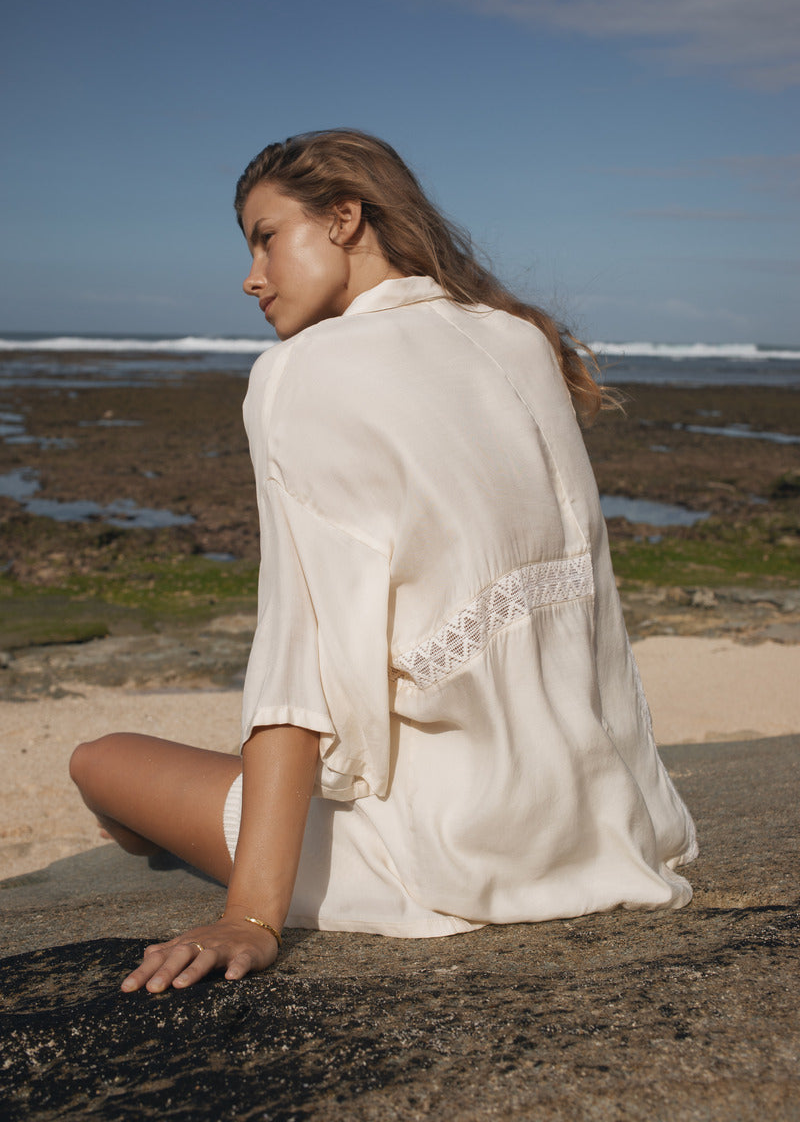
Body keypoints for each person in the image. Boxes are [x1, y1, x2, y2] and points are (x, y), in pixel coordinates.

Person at [70, 129, 697, 995]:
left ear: (344, 217)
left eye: (265, 237)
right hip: (599, 828)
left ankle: (148, 827)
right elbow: (592, 614)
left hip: (440, 850)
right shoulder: (519, 341)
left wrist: (250, 916)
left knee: (98, 760)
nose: (252, 276)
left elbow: (299, 655)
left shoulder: (299, 373)